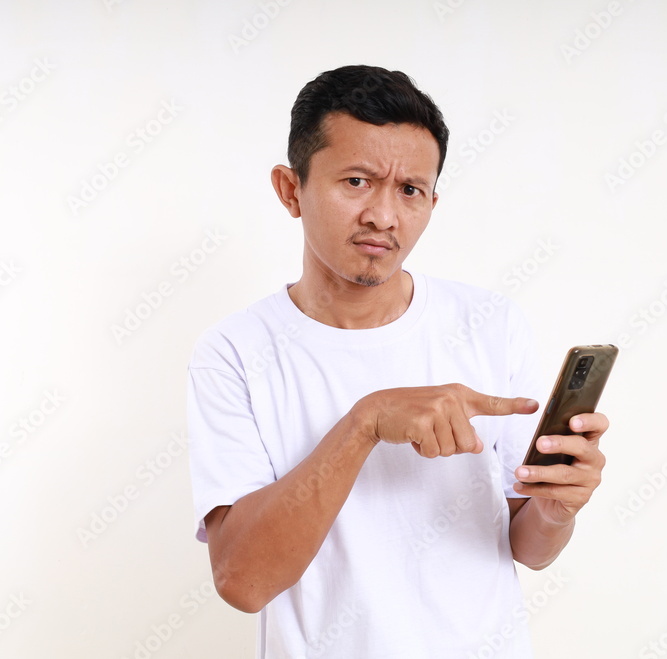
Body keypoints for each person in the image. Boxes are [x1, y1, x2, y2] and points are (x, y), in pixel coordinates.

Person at [186, 65, 609, 658]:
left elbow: (528, 546)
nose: (384, 216)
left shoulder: (491, 324)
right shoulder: (234, 352)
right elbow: (243, 581)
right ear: (290, 190)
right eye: (357, 181)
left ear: (432, 201)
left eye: (410, 190)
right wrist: (366, 422)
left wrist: (557, 507)